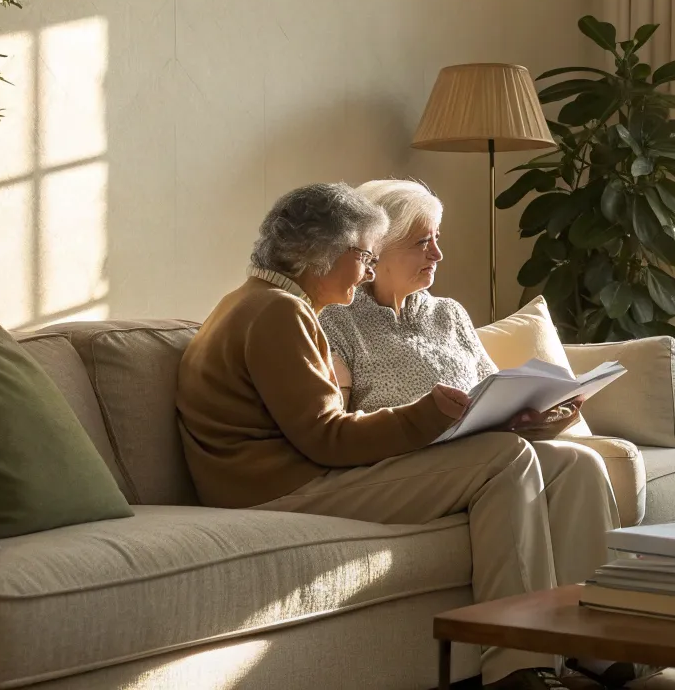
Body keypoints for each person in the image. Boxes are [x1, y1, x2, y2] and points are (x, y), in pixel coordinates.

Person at [176, 182, 612, 690]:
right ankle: (517, 667)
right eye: (363, 255)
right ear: (321, 255)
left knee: (572, 462)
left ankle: (597, 644)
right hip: (279, 490)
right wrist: (425, 414)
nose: (366, 269)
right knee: (504, 459)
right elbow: (326, 437)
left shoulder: (264, 303)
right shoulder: (278, 311)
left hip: (290, 476)